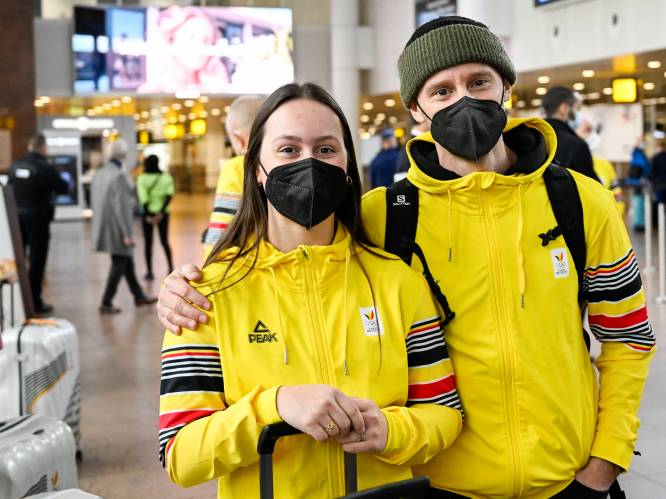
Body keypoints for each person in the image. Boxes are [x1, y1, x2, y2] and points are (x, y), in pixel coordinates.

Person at [158, 16, 655, 498]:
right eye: (441, 90)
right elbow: (296, 253)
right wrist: (184, 287)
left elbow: (629, 338)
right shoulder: (385, 218)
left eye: (479, 81)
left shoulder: (580, 202)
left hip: (567, 479)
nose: (463, 100)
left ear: (506, 86)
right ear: (416, 109)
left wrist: (604, 465)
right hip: (439, 483)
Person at [158, 82, 463, 498]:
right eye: (288, 150)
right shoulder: (207, 295)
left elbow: (444, 414)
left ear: (347, 166)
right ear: (257, 171)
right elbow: (179, 454)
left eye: (325, 149)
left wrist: (390, 430)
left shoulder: (397, 281)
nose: (309, 163)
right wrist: (276, 406)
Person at [91, 139, 156, 314]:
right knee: (120, 261)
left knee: (126, 260)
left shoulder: (100, 173)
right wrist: (127, 233)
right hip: (117, 229)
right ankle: (106, 301)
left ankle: (139, 295)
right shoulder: (119, 175)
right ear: (123, 156)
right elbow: (122, 206)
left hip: (104, 226)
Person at [7, 134, 68, 315]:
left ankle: (18, 300)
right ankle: (35, 301)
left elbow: (9, 188)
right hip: (38, 220)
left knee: (18, 258)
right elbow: (63, 187)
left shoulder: (15, 165)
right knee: (37, 260)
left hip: (16, 219)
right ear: (43, 147)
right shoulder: (45, 167)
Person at [202, 95, 264, 253]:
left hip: (247, 261)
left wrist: (209, 267)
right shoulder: (281, 163)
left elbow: (221, 229)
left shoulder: (237, 167)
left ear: (239, 140)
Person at [543, 86, 600, 182]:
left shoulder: (532, 135)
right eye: (576, 108)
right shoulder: (577, 145)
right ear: (564, 108)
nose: (577, 113)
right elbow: (593, 187)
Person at [137, 154, 174, 279]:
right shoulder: (166, 177)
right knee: (164, 241)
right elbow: (169, 195)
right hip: (163, 214)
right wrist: (161, 212)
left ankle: (149, 272)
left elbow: (143, 198)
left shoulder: (142, 178)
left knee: (148, 243)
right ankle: (170, 267)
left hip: (148, 214)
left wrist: (148, 215)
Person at [577, 117, 625, 214]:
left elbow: (617, 195)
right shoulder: (567, 163)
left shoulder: (605, 165)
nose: (590, 135)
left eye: (591, 131)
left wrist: (615, 215)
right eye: (586, 130)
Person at [626, 138, 651, 232]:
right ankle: (639, 224)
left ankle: (639, 223)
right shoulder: (639, 156)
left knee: (638, 202)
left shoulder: (637, 154)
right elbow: (642, 168)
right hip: (639, 183)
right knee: (639, 203)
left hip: (638, 182)